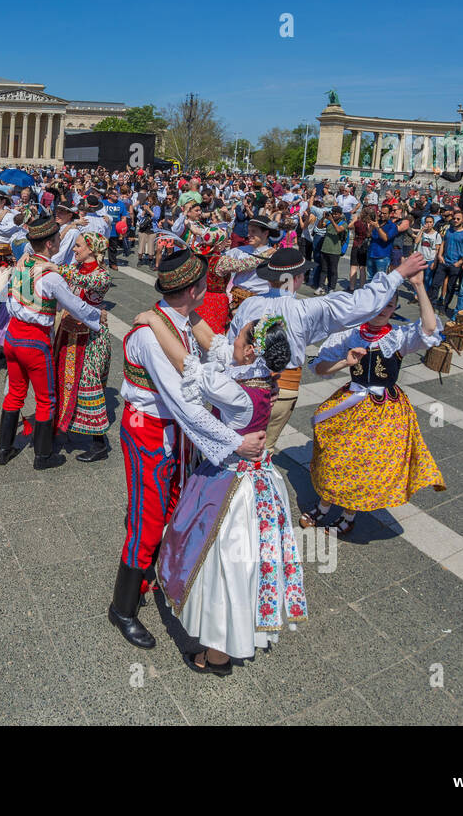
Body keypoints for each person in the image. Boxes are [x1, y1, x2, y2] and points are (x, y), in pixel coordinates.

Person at [109, 249, 268, 650]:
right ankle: (122, 607)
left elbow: (216, 360)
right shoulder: (151, 334)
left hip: (171, 430)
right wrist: (235, 441)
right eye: (205, 285)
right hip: (149, 431)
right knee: (146, 518)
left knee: (172, 505)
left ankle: (152, 574)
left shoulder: (181, 320)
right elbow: (185, 402)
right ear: (195, 290)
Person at [137, 312, 307, 673]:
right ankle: (235, 641)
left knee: (222, 569)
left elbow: (188, 366)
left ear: (248, 352)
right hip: (260, 480)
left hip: (232, 484)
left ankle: (217, 656)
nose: (231, 341)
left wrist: (154, 322)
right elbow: (215, 345)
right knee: (247, 567)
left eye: (240, 336)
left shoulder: (238, 392)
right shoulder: (265, 381)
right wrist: (190, 309)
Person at [230, 247, 429, 452]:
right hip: (281, 389)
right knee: (261, 449)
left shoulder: (248, 304)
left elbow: (231, 347)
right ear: (297, 278)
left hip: (242, 383)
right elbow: (360, 305)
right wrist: (399, 274)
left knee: (239, 442)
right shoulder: (304, 309)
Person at [302, 272, 445, 536]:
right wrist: (346, 361)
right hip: (351, 403)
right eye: (380, 304)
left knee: (364, 462)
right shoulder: (350, 334)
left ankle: (348, 515)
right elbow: (321, 369)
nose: (384, 310)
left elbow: (429, 329)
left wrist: (419, 285)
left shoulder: (398, 337)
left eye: (390, 305)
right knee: (334, 456)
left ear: (394, 309)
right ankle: (323, 505)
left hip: (385, 410)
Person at [0, 215, 104, 470]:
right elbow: (76, 306)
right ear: (49, 244)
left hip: (12, 337)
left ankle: (4, 449)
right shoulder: (51, 277)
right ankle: (43, 456)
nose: (61, 242)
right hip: (34, 341)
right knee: (46, 399)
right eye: (57, 239)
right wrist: (98, 316)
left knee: (15, 393)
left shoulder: (23, 263)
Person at [52, 232, 114, 461]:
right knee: (64, 378)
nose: (75, 249)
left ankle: (99, 443)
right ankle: (65, 423)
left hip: (91, 337)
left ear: (90, 249)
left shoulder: (101, 275)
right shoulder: (76, 268)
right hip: (69, 331)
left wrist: (55, 268)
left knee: (88, 384)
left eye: (78, 246)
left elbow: (84, 282)